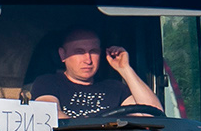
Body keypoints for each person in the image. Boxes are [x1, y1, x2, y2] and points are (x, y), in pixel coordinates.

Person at [30, 28, 162, 118]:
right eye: (79, 52)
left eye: (93, 51)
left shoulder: (115, 88)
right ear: (62, 54)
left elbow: (154, 115)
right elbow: (49, 115)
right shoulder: (48, 83)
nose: (88, 60)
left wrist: (126, 69)